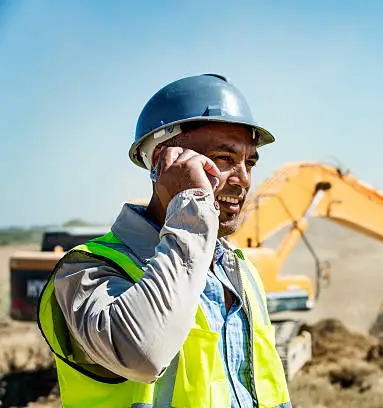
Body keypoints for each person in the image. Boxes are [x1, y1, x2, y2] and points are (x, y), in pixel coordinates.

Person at [37, 74, 292, 408]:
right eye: (224, 159)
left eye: (250, 162)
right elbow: (143, 354)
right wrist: (190, 205)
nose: (243, 178)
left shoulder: (242, 271)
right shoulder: (86, 271)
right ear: (161, 163)